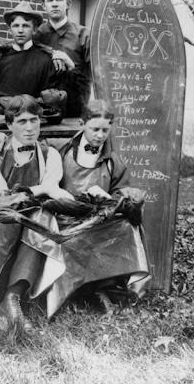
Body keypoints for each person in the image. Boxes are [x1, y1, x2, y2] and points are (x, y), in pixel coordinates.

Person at [42, 99, 150, 316]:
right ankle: (76, 291)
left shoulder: (112, 161)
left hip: (100, 218)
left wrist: (111, 197)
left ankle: (103, 287)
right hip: (67, 218)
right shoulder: (61, 153)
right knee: (69, 238)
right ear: (82, 123)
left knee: (127, 228)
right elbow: (50, 186)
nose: (100, 135)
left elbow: (122, 190)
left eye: (105, 130)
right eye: (95, 129)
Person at [0, 95, 70, 331]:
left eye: (34, 120)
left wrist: (31, 193)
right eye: (21, 122)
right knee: (0, 223)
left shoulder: (50, 154)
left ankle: (13, 296)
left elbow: (51, 186)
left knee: (41, 221)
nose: (29, 128)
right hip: (4, 208)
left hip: (35, 210)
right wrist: (17, 199)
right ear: (9, 125)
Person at [34, 0, 90, 117]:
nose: (54, 4)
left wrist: (70, 65)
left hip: (74, 110)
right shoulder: (36, 36)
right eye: (50, 0)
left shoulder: (83, 35)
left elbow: (92, 78)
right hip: (41, 112)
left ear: (68, 4)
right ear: (43, 6)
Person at [0, 1, 57, 98]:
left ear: (34, 30)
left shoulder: (45, 60)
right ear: (10, 30)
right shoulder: (0, 57)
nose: (20, 30)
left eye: (25, 26)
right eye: (16, 26)